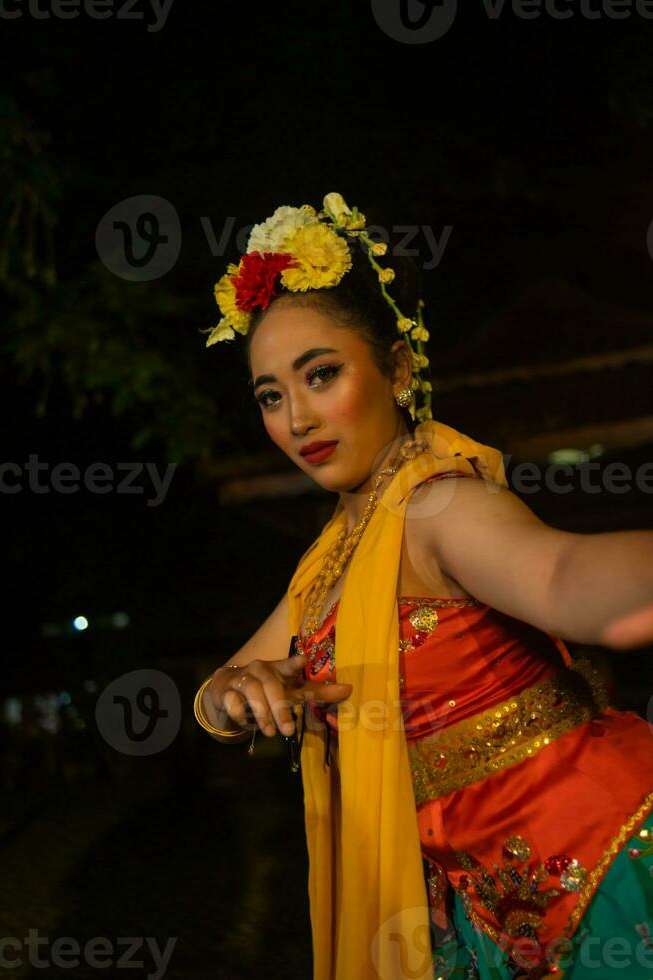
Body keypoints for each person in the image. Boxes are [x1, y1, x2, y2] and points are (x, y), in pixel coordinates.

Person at [193, 193, 653, 980]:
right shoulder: (334, 556)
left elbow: (560, 574)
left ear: (398, 371)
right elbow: (212, 700)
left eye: (322, 374)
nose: (297, 418)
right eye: (271, 395)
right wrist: (243, 688)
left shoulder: (437, 502)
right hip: (472, 910)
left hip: (592, 859)